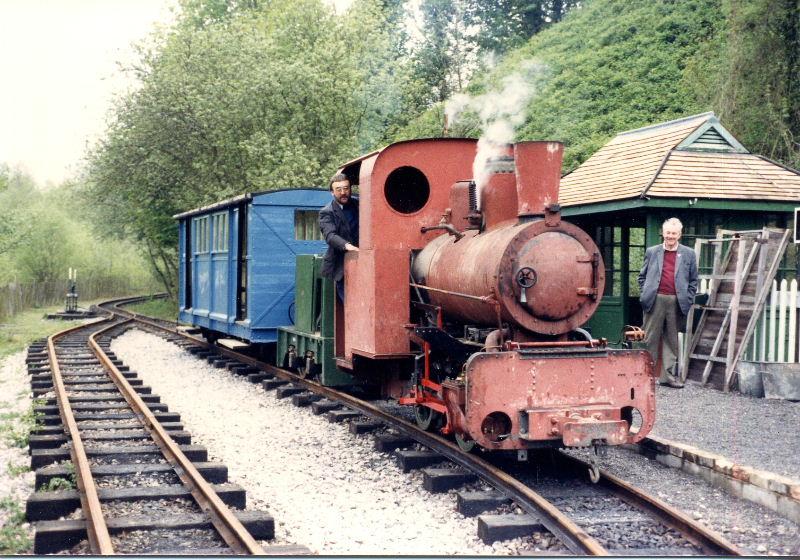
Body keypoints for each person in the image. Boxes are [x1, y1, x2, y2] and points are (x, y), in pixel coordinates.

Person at [638, 217, 699, 388]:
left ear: (679, 235)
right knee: (649, 338)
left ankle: (668, 377)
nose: (670, 236)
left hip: (676, 301)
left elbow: (694, 280)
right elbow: (642, 276)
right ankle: (646, 377)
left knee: (672, 340)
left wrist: (687, 298)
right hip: (655, 299)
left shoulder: (688, 254)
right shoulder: (652, 251)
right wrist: (645, 293)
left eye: (673, 233)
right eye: (667, 233)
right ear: (663, 234)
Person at [319, 173, 359, 301]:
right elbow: (330, 236)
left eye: (346, 188)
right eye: (339, 189)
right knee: (350, 304)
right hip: (342, 266)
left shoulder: (360, 205)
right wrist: (348, 246)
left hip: (363, 262)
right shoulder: (326, 212)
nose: (343, 192)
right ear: (332, 192)